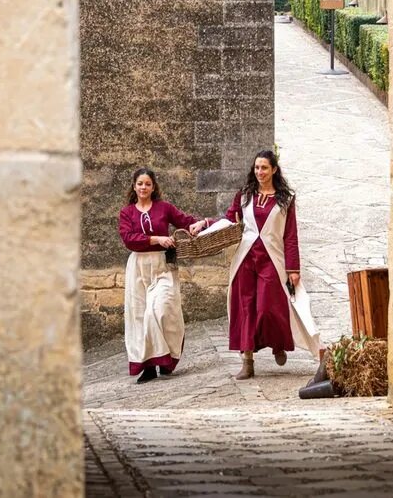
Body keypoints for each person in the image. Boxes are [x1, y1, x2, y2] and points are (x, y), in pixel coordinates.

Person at [190, 150, 321, 379]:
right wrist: (205, 223)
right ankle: (247, 361)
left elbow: (290, 236)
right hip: (246, 258)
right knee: (245, 309)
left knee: (268, 308)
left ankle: (278, 342)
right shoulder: (245, 195)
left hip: (272, 258)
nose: (260, 172)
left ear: (274, 170)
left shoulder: (285, 199)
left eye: (264, 168)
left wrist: (293, 269)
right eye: (257, 168)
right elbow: (230, 219)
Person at [119, 167, 204, 384]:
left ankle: (166, 358)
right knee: (140, 316)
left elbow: (186, 221)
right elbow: (129, 239)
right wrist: (157, 239)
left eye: (147, 184)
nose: (143, 187)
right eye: (140, 184)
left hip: (162, 265)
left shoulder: (164, 208)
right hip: (138, 267)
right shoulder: (127, 213)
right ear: (134, 186)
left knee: (160, 309)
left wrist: (201, 225)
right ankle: (149, 365)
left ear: (153, 186)